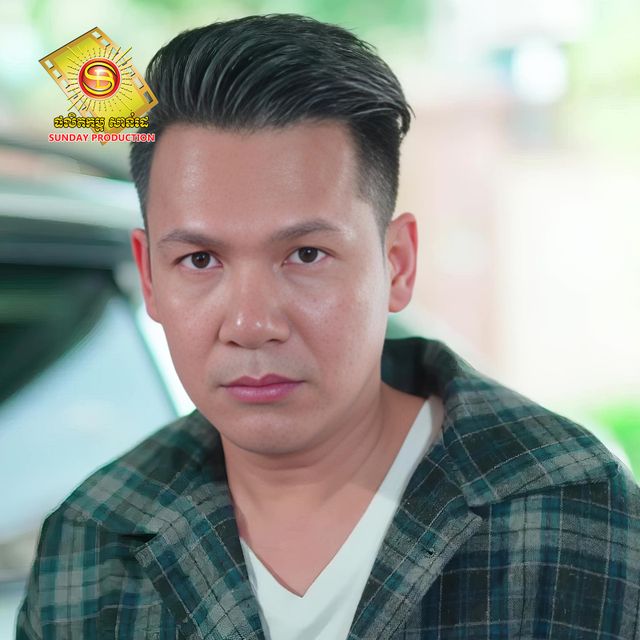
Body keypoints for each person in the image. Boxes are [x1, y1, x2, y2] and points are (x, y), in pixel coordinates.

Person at [17, 13, 640, 640]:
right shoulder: (92, 543)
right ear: (150, 278)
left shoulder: (571, 509)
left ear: (398, 264)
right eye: (200, 260)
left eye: (306, 255)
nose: (251, 324)